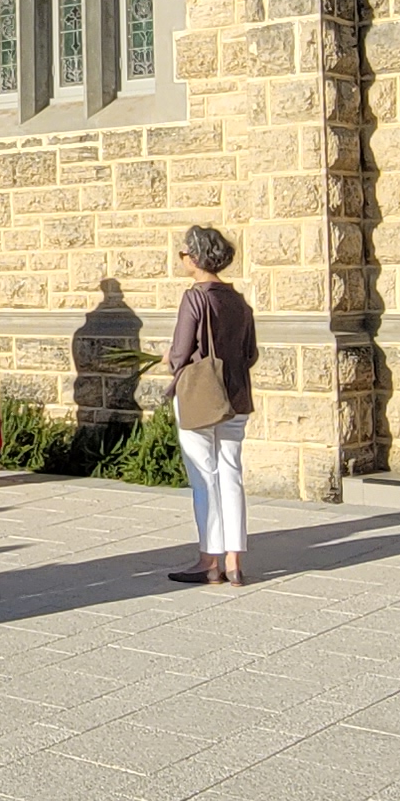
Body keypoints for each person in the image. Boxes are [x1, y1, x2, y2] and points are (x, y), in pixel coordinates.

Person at [157, 225, 259, 587]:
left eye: (184, 253)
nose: (182, 258)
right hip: (236, 395)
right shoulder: (239, 301)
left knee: (205, 477)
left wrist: (170, 357)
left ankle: (209, 560)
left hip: (201, 395)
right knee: (231, 474)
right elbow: (251, 353)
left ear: (196, 258)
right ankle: (235, 561)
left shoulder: (195, 298)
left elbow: (180, 353)